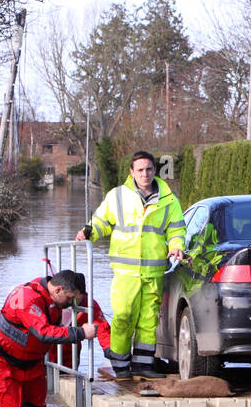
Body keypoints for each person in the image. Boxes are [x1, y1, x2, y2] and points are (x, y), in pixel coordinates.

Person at [76, 151, 185, 379]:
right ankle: (121, 366)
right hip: (125, 272)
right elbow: (101, 222)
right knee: (124, 317)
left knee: (148, 321)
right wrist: (89, 232)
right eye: (140, 170)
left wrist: (176, 245)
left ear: (155, 170)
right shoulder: (118, 196)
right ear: (132, 172)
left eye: (149, 169)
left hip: (154, 271)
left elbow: (176, 229)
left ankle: (144, 366)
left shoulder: (169, 199)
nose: (145, 174)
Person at [0, 268, 97, 407]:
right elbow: (43, 332)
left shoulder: (51, 295)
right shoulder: (28, 299)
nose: (71, 304)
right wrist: (81, 333)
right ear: (58, 290)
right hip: (5, 363)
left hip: (33, 365)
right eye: (70, 298)